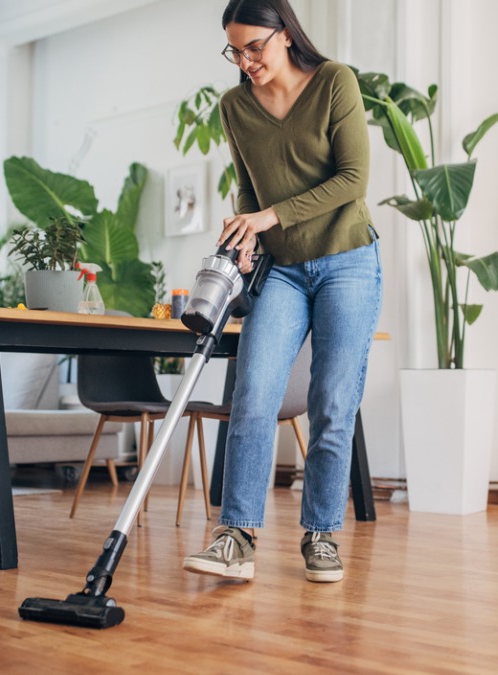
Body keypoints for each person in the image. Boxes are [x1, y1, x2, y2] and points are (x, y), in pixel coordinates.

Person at [182, 0, 381, 584]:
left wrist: (270, 217)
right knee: (254, 395)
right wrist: (248, 231)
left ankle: (320, 537)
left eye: (254, 48)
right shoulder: (234, 107)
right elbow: (248, 188)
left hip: (348, 259)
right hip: (284, 270)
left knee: (332, 403)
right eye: (234, 50)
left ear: (285, 35)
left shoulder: (334, 83)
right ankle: (235, 537)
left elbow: (353, 181)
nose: (245, 61)